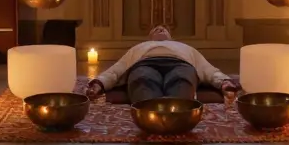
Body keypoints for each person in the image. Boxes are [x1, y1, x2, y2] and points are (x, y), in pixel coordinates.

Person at [84, 25, 239, 104]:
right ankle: (149, 113)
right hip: (145, 65)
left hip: (180, 65)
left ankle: (177, 112)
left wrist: (224, 82)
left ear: (171, 37)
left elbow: (207, 69)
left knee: (180, 80)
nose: (160, 28)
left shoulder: (184, 47)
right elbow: (116, 70)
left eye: (164, 28)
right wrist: (99, 84)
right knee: (143, 80)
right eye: (156, 29)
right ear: (149, 37)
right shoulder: (139, 47)